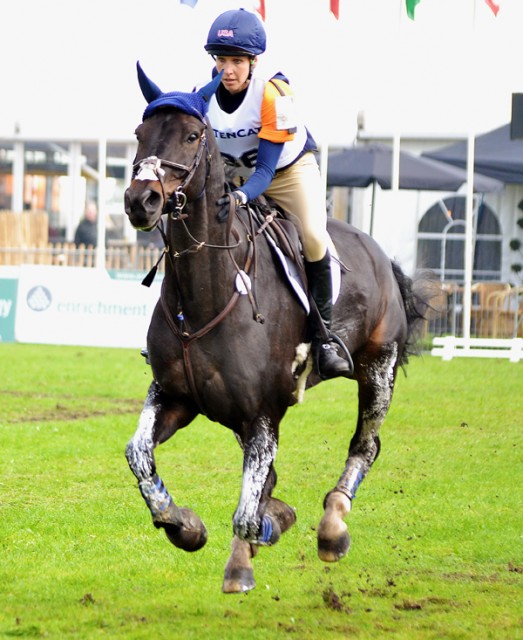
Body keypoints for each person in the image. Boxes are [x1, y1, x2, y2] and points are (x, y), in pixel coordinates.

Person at [203, 8, 352, 380]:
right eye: (221, 60)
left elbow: (266, 172)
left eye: (237, 60)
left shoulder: (275, 93)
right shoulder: (203, 92)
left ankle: (325, 337)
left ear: (254, 62)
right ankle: (181, 325)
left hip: (287, 173)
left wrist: (239, 198)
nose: (228, 70)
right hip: (234, 174)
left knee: (315, 237)